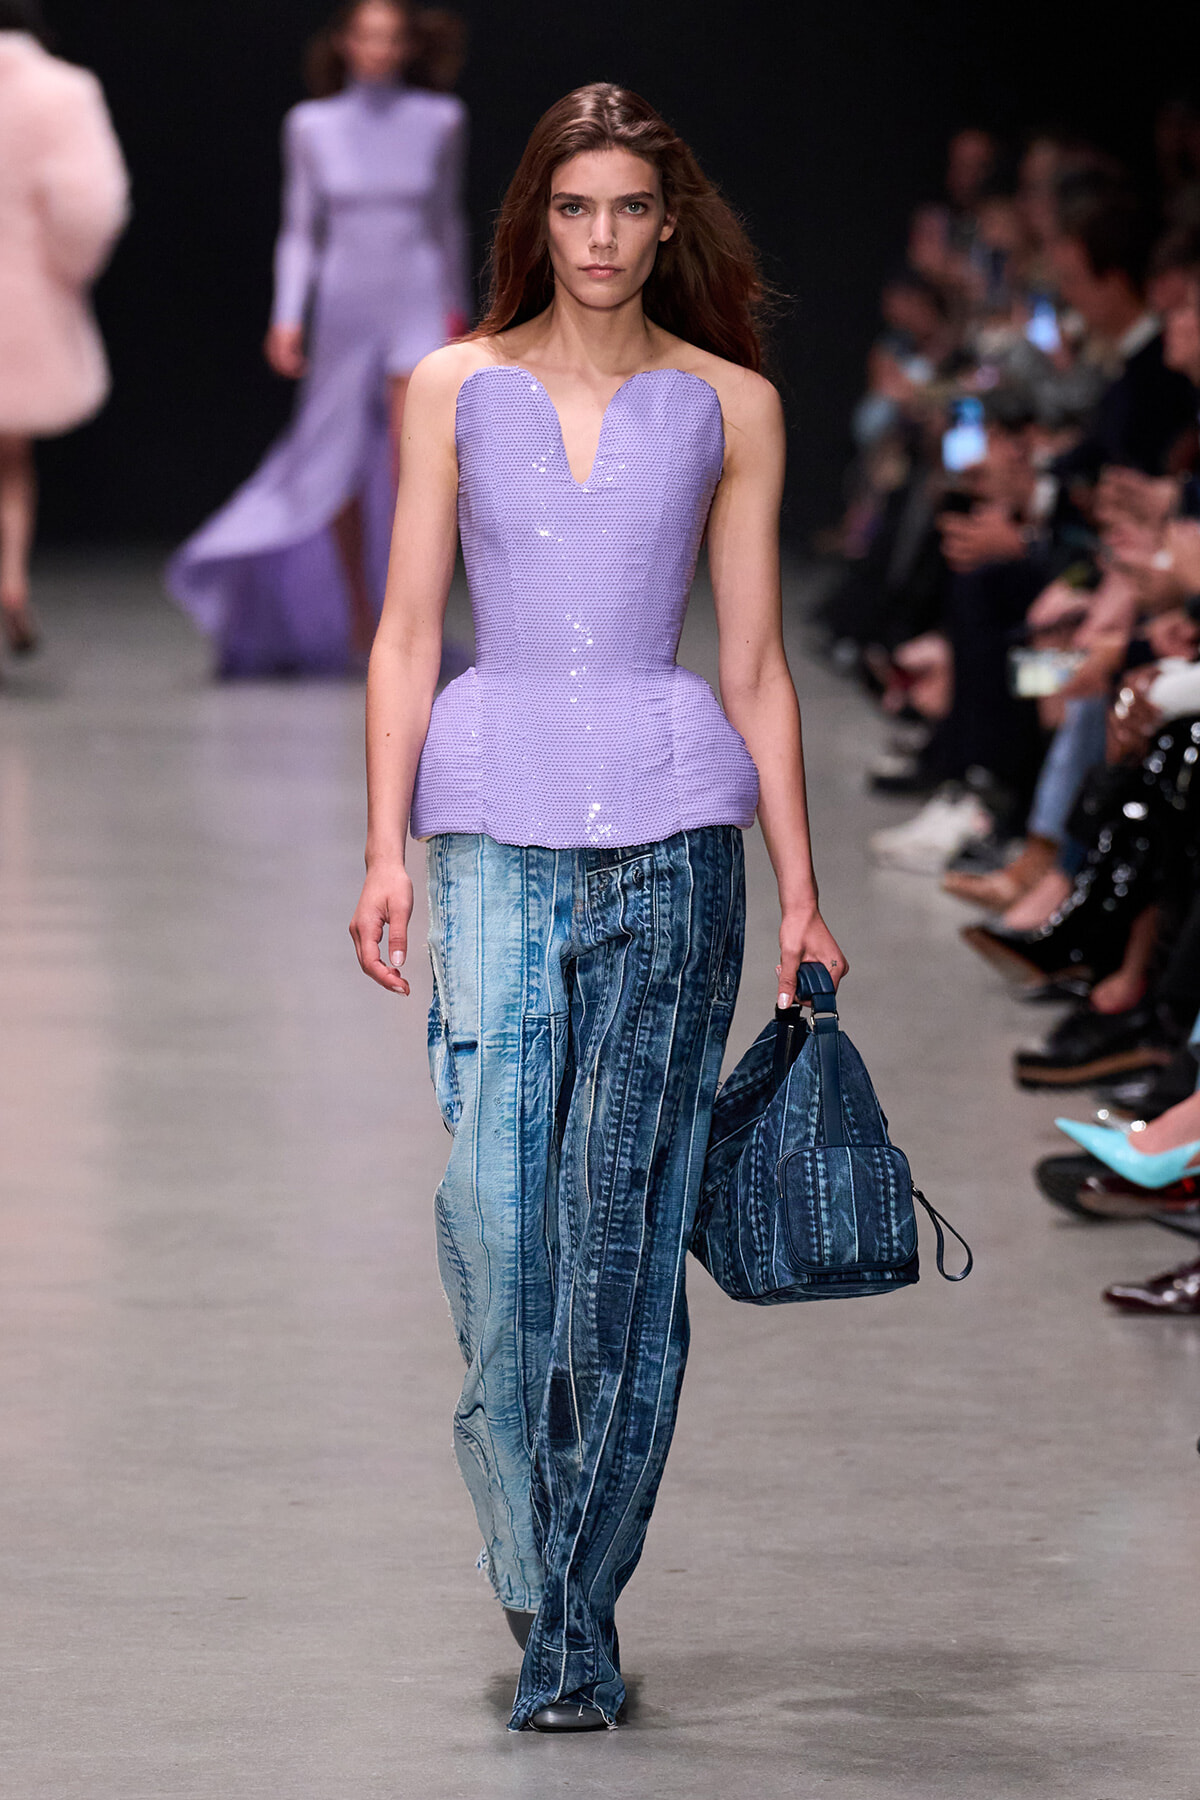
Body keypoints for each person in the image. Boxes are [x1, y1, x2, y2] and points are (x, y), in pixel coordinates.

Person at [348, 81, 846, 1732]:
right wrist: (380, 847)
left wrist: (803, 893)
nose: (607, 238)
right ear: (535, 223)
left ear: (671, 224)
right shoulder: (448, 388)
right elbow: (408, 634)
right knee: (497, 1228)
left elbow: (759, 662)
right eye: (578, 209)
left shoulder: (732, 407)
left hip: (676, 831)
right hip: (486, 825)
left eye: (634, 208)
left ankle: (576, 1617)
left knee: (622, 1248)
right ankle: (530, 1527)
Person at [168, 0, 469, 678]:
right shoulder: (311, 125)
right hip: (343, 303)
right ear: (343, 43)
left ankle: (408, 613)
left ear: (407, 45)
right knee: (333, 467)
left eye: (391, 37)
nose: (378, 49)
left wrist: (462, 315)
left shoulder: (441, 121)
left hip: (416, 297)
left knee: (415, 459)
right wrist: (286, 316)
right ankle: (362, 615)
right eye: (367, 35)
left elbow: (447, 222)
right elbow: (300, 229)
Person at [0, 0, 128, 660]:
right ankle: (13, 579)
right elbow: (92, 204)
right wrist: (65, 270)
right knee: (12, 457)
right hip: (21, 299)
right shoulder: (64, 91)